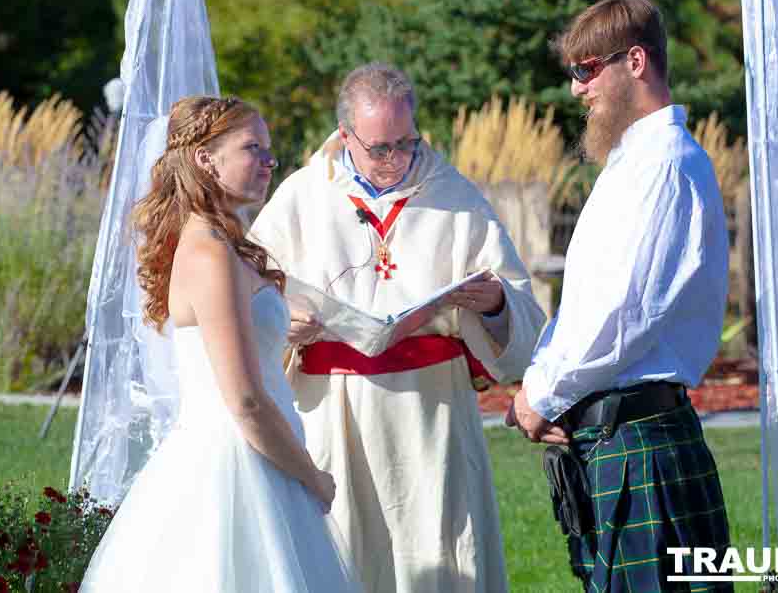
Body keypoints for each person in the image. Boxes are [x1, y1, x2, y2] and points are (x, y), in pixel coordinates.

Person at [249, 63, 546, 593]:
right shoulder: (301, 196)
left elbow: (521, 310)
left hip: (431, 413)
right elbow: (251, 294)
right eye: (380, 148)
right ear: (345, 137)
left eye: (407, 143)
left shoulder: (456, 196)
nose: (396, 160)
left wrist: (496, 302)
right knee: (340, 551)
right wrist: (284, 323)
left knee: (439, 547)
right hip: (332, 409)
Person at [80, 96, 360, 592]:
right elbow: (246, 402)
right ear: (206, 159)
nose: (269, 161)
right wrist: (312, 477)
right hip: (237, 463)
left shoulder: (221, 243)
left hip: (256, 454)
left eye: (269, 149)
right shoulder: (210, 252)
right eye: (253, 148)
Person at [507, 0, 733, 592]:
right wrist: (542, 385)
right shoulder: (630, 165)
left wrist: (542, 395)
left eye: (587, 70)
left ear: (635, 61)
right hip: (617, 443)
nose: (578, 89)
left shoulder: (665, 167)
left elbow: (624, 316)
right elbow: (586, 302)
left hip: (642, 447)